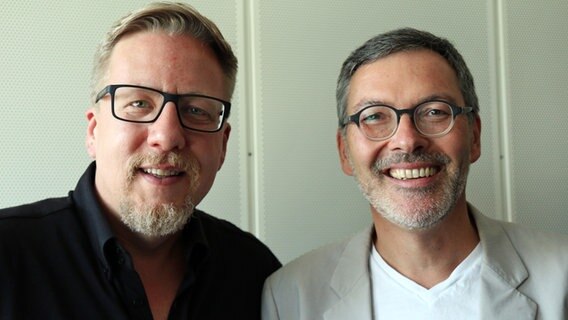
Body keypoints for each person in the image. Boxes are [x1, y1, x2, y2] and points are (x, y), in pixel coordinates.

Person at [261, 28, 568, 319]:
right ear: (345, 152)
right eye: (375, 116)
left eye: (434, 111)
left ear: (474, 137)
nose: (407, 140)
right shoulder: (290, 296)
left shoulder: (562, 275)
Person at [0, 2, 281, 319]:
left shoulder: (256, 275)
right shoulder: (7, 258)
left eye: (196, 110)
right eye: (138, 103)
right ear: (94, 130)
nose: (168, 135)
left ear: (223, 145)